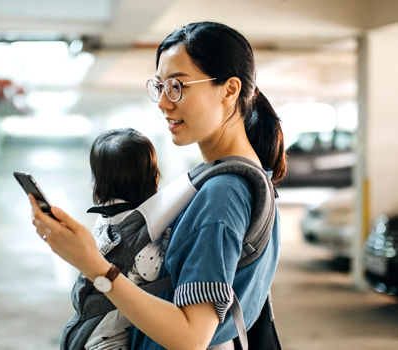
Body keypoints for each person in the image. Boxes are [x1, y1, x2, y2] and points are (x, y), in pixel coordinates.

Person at [30, 21, 286, 350]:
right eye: (160, 86)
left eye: (178, 86)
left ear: (230, 90)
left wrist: (93, 265)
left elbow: (192, 337)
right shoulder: (244, 176)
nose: (164, 103)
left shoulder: (223, 193)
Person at [84, 127, 167, 350]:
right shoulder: (137, 231)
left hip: (91, 331)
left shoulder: (105, 217)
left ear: (97, 183)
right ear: (152, 179)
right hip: (110, 342)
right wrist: (168, 237)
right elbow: (154, 271)